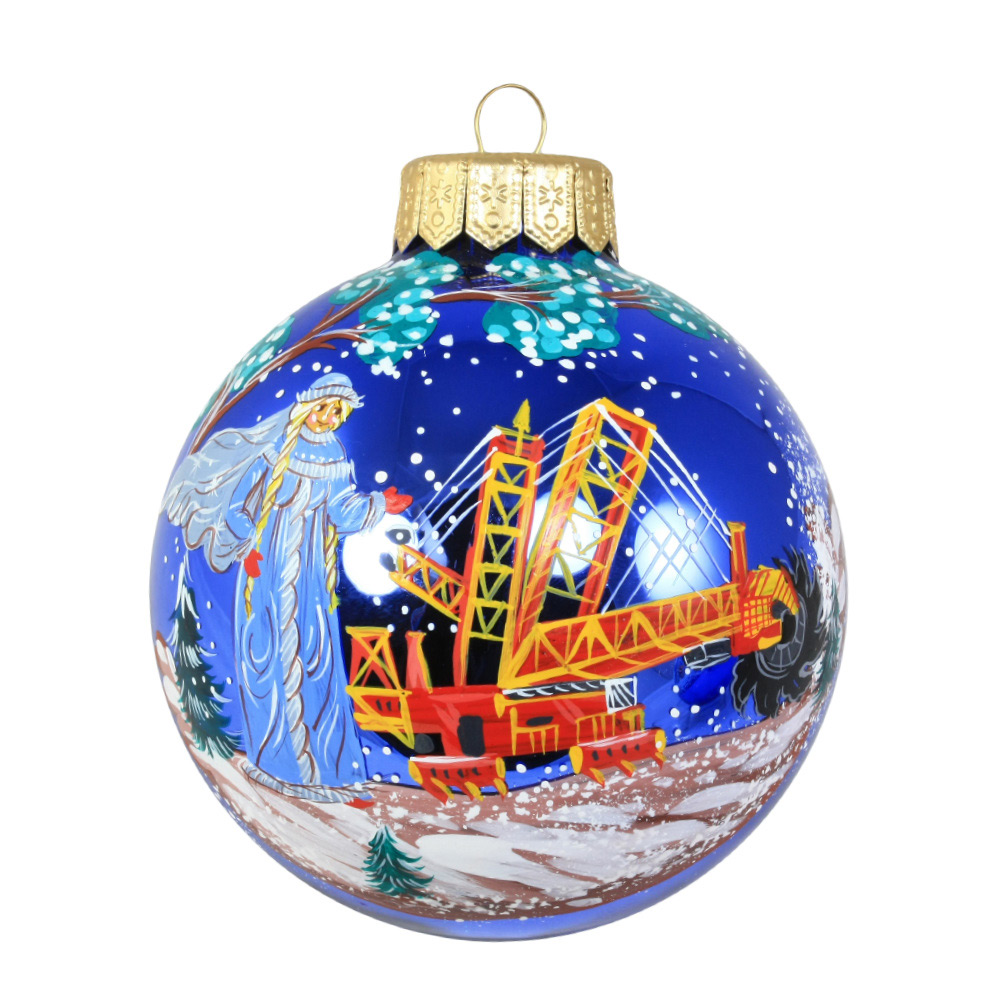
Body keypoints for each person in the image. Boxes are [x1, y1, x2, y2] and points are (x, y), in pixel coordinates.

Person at [163, 373, 411, 798]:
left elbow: (340, 511)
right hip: (269, 565)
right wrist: (246, 547)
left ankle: (327, 772)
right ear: (308, 405)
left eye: (337, 412)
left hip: (310, 574)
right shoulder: (276, 447)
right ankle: (278, 763)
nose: (328, 418)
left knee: (314, 657)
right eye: (324, 408)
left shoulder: (334, 453)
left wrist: (378, 505)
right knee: (269, 654)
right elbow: (239, 505)